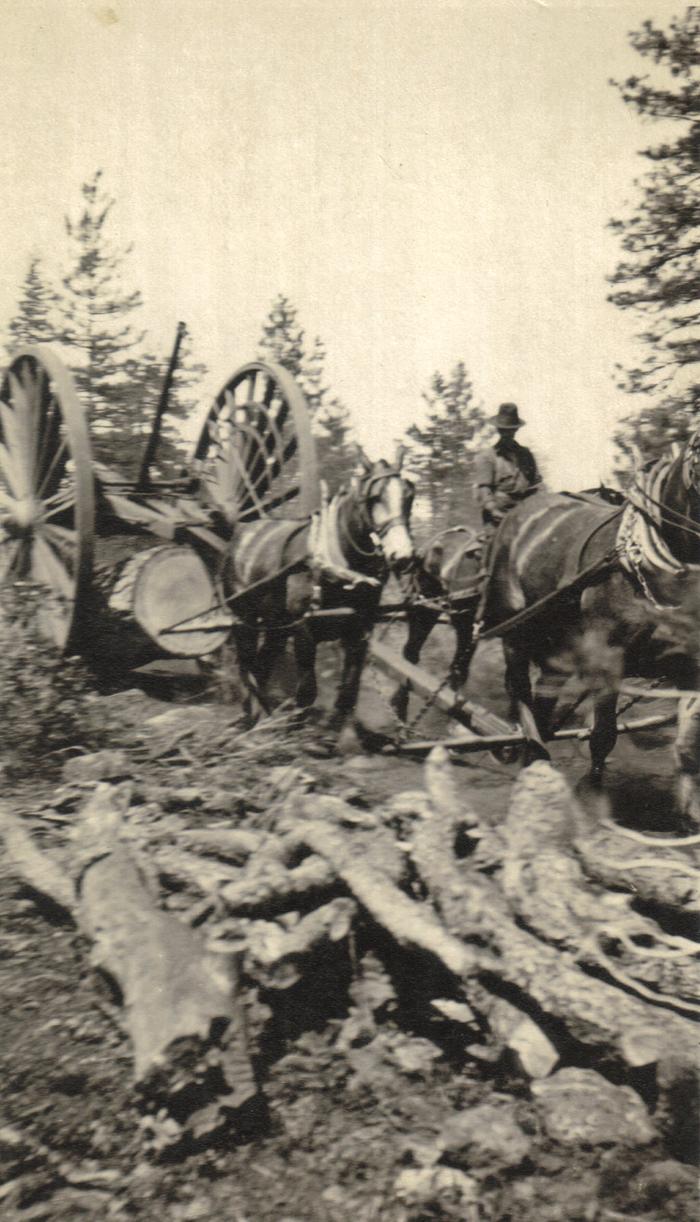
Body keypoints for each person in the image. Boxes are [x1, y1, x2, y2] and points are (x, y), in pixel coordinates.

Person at [473, 402, 542, 536]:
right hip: (499, 515)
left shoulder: (526, 454)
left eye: (511, 430)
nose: (508, 434)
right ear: (498, 430)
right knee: (494, 549)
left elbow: (535, 485)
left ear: (516, 430)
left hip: (526, 512)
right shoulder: (487, 457)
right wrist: (493, 509)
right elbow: (484, 489)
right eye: (504, 430)